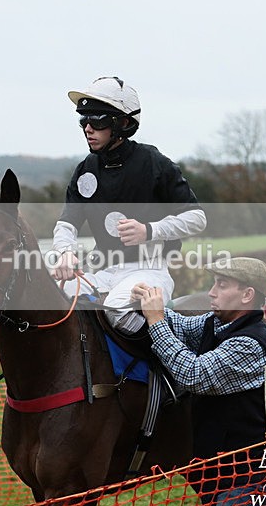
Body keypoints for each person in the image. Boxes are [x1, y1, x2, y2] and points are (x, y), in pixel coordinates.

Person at [132, 257, 266, 506]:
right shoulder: (215, 324)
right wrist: (145, 301)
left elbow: (194, 374)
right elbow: (179, 325)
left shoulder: (249, 344)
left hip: (248, 481)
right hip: (224, 476)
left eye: (222, 285)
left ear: (247, 295)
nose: (211, 292)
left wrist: (156, 320)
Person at [51, 76, 206, 334]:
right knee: (53, 298)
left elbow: (197, 218)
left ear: (123, 123)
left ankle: (164, 367)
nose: (88, 128)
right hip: (103, 270)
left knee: (117, 311)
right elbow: (67, 223)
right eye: (84, 121)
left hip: (149, 271)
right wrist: (65, 252)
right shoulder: (85, 170)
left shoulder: (154, 162)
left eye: (97, 121)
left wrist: (150, 231)